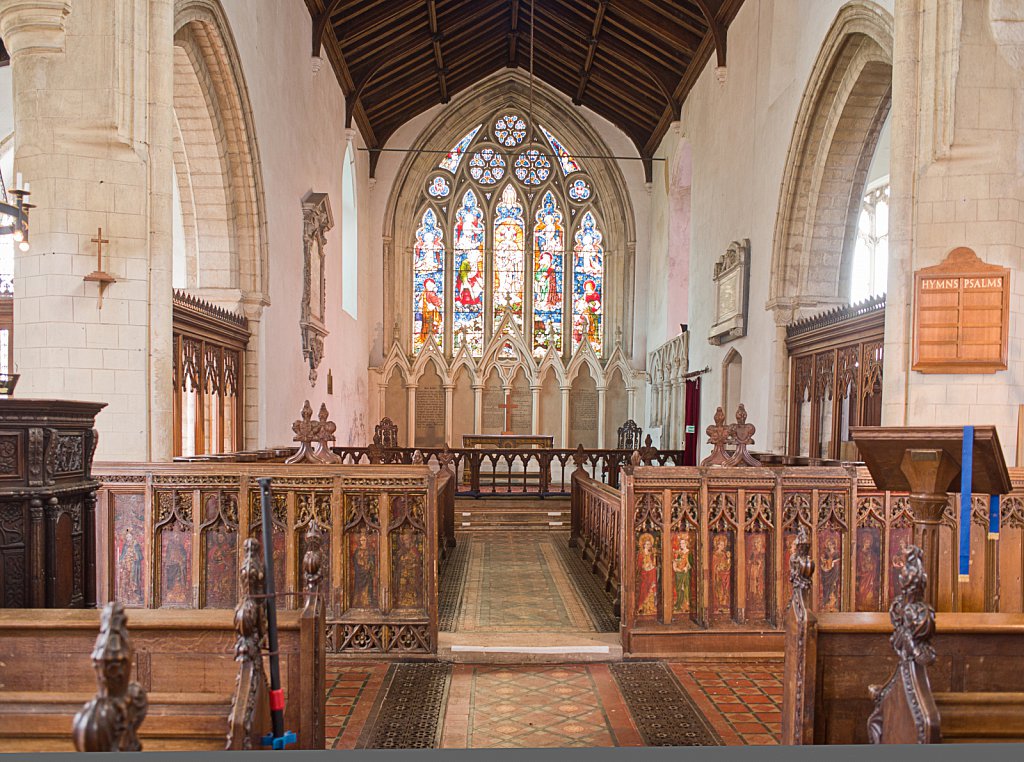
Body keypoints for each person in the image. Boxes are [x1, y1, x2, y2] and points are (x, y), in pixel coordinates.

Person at [636, 533, 658, 616]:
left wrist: (652, 565)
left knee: (651, 591)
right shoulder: (641, 554)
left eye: (650, 544)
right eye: (647, 544)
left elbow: (653, 564)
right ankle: (643, 607)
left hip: (651, 574)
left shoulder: (651, 554)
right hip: (644, 575)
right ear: (644, 545)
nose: (649, 546)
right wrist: (645, 567)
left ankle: (651, 607)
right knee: (644, 591)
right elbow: (639, 566)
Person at [672, 535, 693, 614]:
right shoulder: (678, 552)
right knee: (679, 588)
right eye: (680, 543)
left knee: (686, 588)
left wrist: (686, 568)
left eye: (683, 543)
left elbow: (691, 563)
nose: (681, 545)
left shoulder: (689, 552)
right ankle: (679, 604)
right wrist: (675, 566)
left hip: (685, 573)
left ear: (686, 544)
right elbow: (675, 561)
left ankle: (686, 605)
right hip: (679, 573)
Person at [418, 278, 442, 343]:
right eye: (429, 285)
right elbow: (436, 302)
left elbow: (420, 304)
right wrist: (440, 300)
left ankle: (426, 338)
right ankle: (431, 339)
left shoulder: (424, 293)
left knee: (427, 325)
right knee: (432, 325)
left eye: (432, 285)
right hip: (431, 313)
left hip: (427, 313)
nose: (431, 287)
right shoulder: (430, 294)